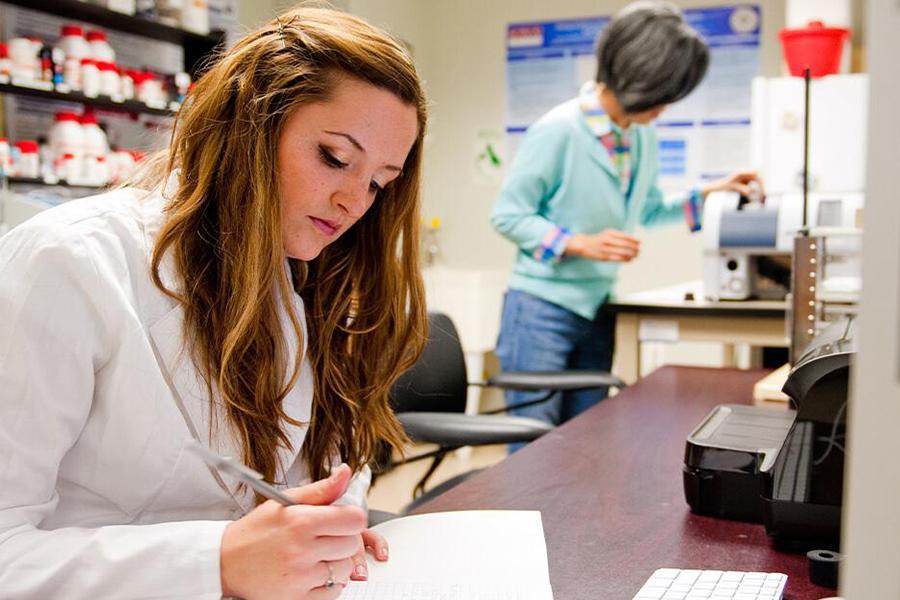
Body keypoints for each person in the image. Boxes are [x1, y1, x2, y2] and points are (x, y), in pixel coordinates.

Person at [0, 7, 427, 599]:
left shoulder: (294, 275)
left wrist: (328, 521)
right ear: (247, 125)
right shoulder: (66, 262)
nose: (354, 201)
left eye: (380, 182)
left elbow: (316, 465)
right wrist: (215, 562)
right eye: (333, 157)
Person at [491, 1, 762, 447]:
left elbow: (649, 210)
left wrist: (710, 193)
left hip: (598, 306)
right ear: (640, 76)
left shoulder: (641, 136)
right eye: (665, 93)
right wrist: (580, 243)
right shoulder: (559, 130)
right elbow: (508, 213)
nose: (667, 106)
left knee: (586, 440)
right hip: (540, 310)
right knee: (533, 444)